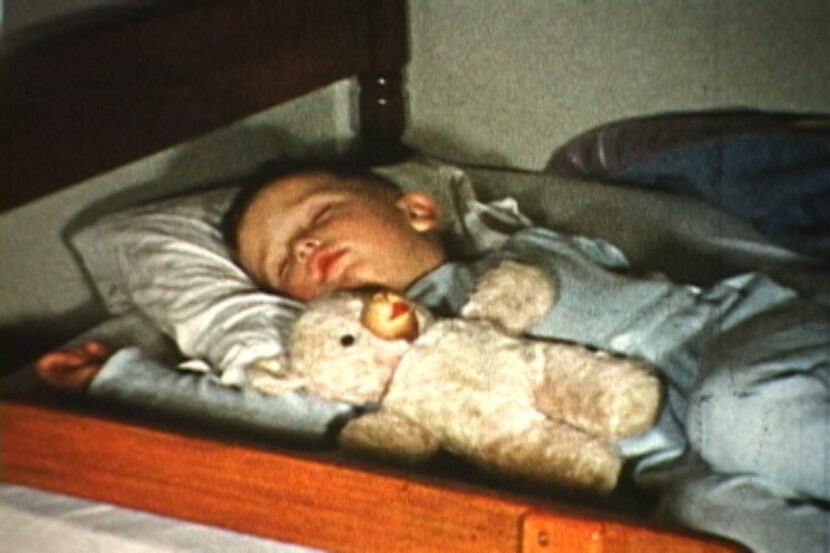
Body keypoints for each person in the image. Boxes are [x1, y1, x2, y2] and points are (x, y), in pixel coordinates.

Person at [35, 161, 829, 552]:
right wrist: (119, 378)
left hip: (743, 340)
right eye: (283, 262)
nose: (306, 244)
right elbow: (298, 418)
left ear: (417, 210)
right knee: (704, 528)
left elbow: (554, 291)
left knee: (743, 413)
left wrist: (461, 312)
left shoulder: (520, 256)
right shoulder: (389, 371)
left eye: (319, 215)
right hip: (674, 467)